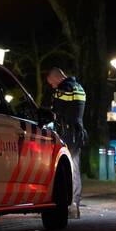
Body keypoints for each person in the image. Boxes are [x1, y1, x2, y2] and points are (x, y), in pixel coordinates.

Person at [46, 67, 88, 219]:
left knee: (65, 170)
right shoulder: (79, 88)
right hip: (78, 133)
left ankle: (67, 204)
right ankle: (74, 205)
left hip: (66, 134)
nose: (52, 86)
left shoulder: (63, 89)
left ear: (57, 78)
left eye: (51, 83)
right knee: (75, 169)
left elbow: (56, 113)